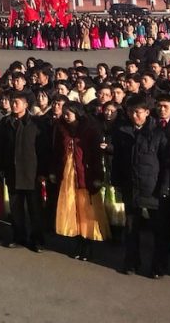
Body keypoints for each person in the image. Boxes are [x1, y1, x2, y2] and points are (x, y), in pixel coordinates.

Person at [113, 93, 170, 277]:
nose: (134, 116)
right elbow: (117, 160)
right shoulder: (123, 132)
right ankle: (131, 262)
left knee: (158, 231)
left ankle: (158, 266)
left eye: (138, 112)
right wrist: (116, 182)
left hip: (153, 188)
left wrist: (165, 186)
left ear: (147, 112)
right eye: (131, 112)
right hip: (131, 187)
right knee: (131, 228)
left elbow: (168, 163)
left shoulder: (159, 133)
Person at [52, 103, 109, 260]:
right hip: (68, 174)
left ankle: (87, 242)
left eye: (68, 113)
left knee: (86, 209)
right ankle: (78, 241)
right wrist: (54, 171)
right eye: (64, 112)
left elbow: (97, 155)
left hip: (85, 173)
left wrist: (98, 176)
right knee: (72, 208)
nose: (65, 116)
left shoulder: (90, 129)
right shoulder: (61, 128)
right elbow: (56, 151)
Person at [0, 90, 47, 251]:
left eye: (17, 102)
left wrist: (42, 172)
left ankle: (37, 239)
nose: (13, 105)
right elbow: (1, 146)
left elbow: (43, 150)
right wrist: (1, 167)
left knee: (34, 209)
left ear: (26, 105)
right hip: (12, 171)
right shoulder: (6, 122)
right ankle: (19, 236)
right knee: (16, 209)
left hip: (31, 172)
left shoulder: (36, 123)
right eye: (12, 102)